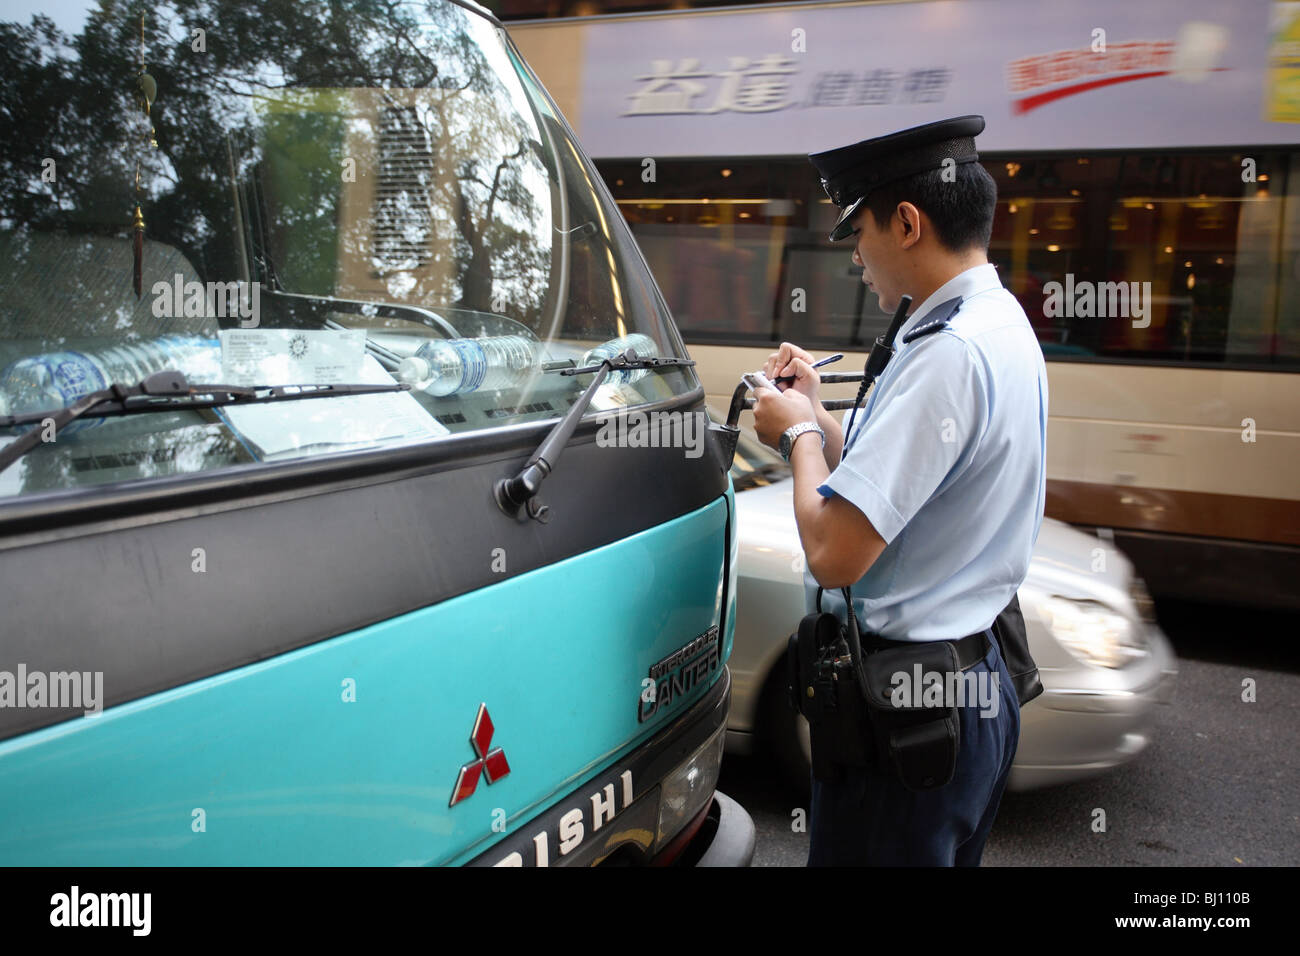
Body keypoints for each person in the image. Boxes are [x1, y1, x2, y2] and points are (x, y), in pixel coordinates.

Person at [751, 115, 1048, 866]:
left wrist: (796, 437)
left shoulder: (949, 353)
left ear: (908, 222)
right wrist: (818, 410)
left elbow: (834, 551)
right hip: (966, 687)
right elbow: (905, 478)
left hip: (911, 706)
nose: (856, 255)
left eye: (860, 232)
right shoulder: (993, 321)